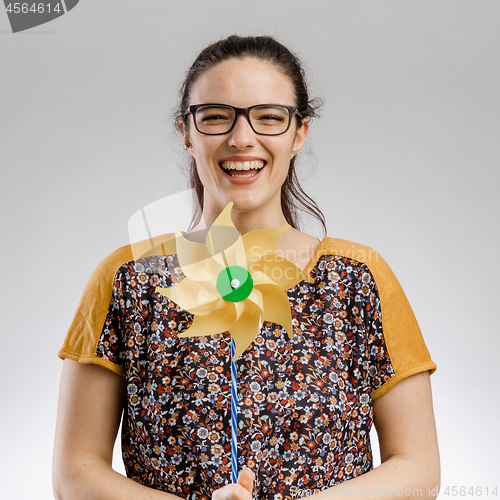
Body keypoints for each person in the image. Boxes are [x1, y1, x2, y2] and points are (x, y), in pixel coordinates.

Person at [53, 35, 440, 500]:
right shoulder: (130, 279)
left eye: (269, 118)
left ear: (299, 134)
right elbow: (75, 473)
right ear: (186, 131)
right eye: (215, 117)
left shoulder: (359, 279)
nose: (242, 138)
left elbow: (418, 469)